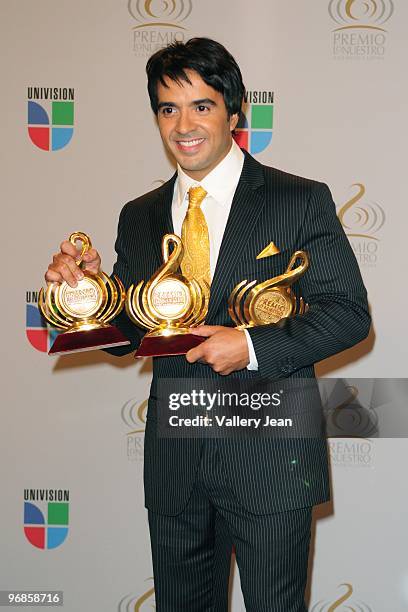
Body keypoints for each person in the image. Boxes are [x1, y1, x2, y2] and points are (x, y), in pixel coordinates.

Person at [45, 38, 371, 612]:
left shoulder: (299, 200)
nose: (184, 125)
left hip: (270, 460)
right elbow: (133, 331)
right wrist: (89, 294)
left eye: (201, 106)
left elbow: (348, 313)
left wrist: (248, 345)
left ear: (234, 110)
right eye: (168, 109)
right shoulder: (140, 214)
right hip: (177, 466)